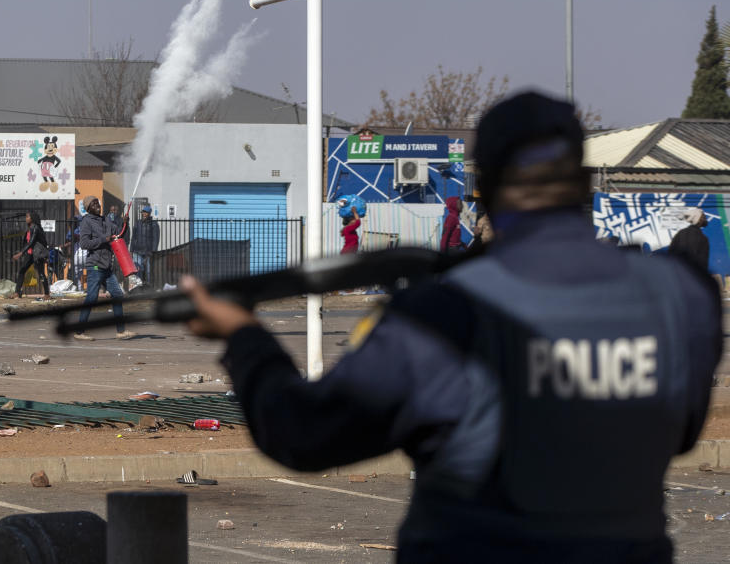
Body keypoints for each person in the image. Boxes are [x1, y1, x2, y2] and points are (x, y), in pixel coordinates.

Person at [179, 91, 722, 562]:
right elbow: (681, 432)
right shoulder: (681, 296)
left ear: (485, 189)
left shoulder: (442, 316)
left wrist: (243, 336)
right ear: (582, 181)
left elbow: (301, 433)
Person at [73, 196, 136, 341]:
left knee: (117, 295)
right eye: (94, 204)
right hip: (95, 265)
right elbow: (84, 243)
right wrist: (103, 239)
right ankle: (79, 332)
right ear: (88, 208)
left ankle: (121, 331)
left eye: (98, 203)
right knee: (91, 298)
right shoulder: (86, 222)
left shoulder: (105, 220)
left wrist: (125, 224)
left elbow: (119, 234)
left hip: (106, 267)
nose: (98, 205)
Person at [12, 211, 50, 300]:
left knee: (41, 273)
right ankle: (17, 293)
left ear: (32, 218)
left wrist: (21, 253)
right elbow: (26, 242)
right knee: (22, 271)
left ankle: (47, 294)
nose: (26, 219)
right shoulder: (29, 229)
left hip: (37, 254)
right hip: (30, 254)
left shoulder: (35, 228)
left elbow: (32, 242)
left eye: (27, 217)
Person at [669, 207, 710, 273]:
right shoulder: (703, 238)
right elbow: (703, 264)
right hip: (693, 277)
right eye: (702, 216)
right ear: (697, 219)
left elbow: (671, 253)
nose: (705, 218)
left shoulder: (680, 233)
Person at [130, 205, 160, 285]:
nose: (144, 214)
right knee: (137, 269)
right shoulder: (137, 223)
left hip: (148, 252)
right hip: (137, 251)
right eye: (143, 212)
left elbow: (155, 239)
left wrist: (152, 251)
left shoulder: (154, 224)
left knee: (148, 271)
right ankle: (137, 286)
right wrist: (131, 250)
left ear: (149, 213)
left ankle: (148, 287)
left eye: (145, 212)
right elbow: (133, 237)